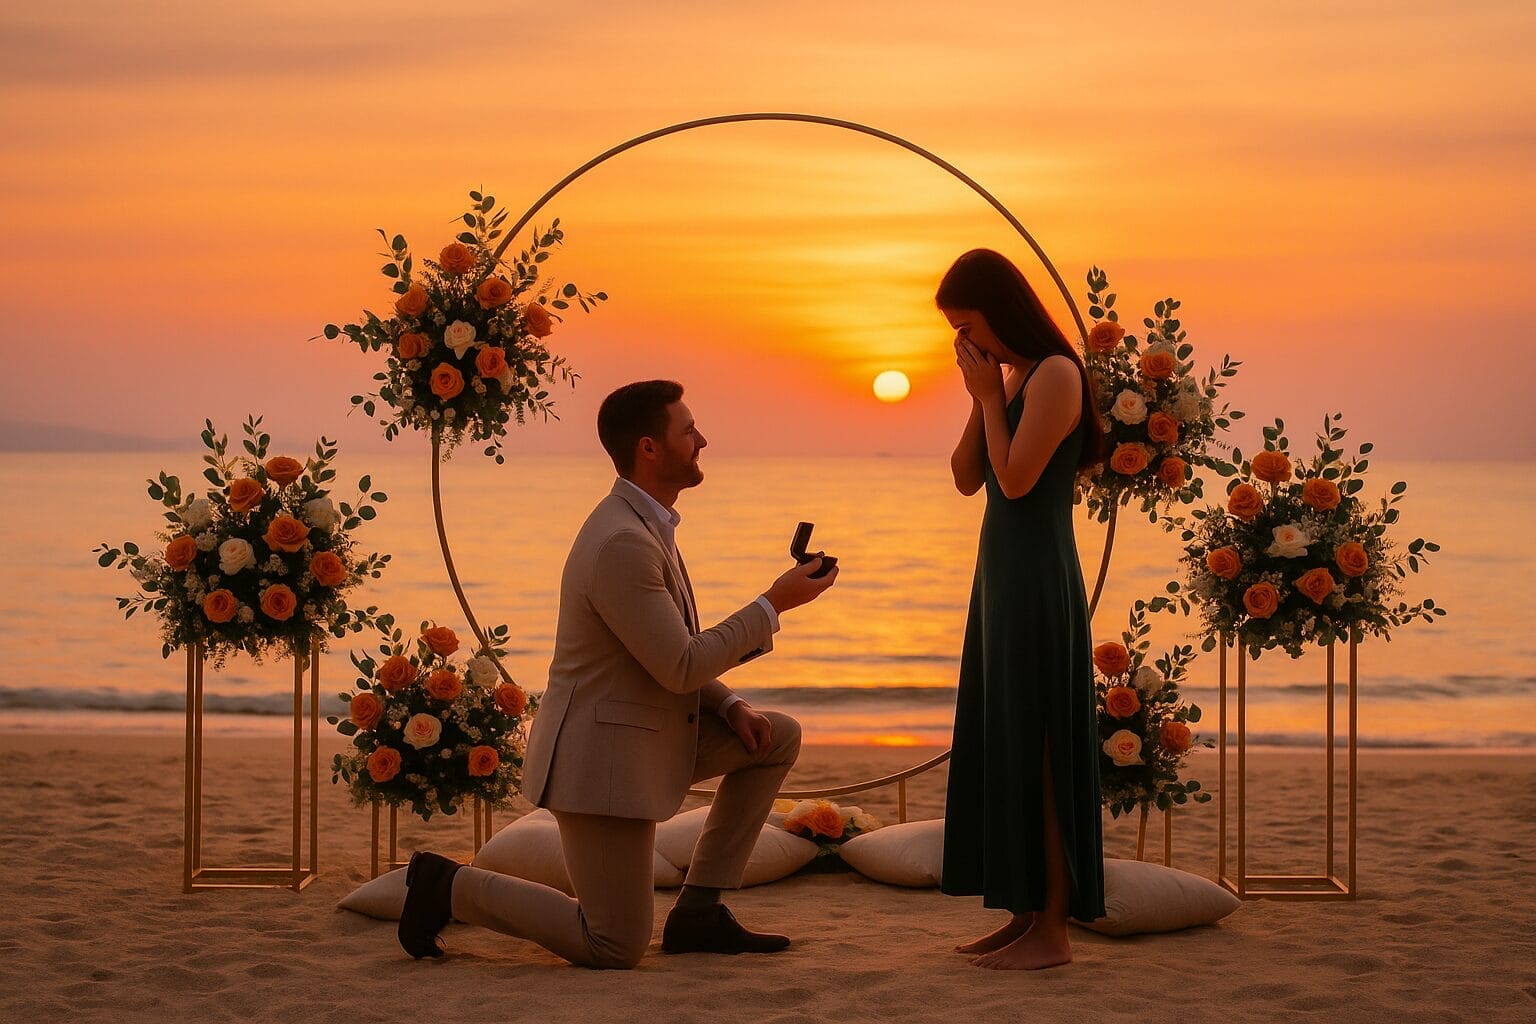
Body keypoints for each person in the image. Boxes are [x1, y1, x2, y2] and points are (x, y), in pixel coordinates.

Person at [397, 379, 838, 969]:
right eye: (688, 430)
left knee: (773, 735)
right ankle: (445, 885)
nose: (702, 439)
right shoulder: (621, 542)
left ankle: (700, 911)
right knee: (613, 945)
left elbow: (659, 650)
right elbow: (680, 664)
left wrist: (731, 706)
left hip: (644, 733)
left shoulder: (647, 523)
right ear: (649, 448)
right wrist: (772, 605)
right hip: (600, 761)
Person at [936, 249, 1107, 969]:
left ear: (1001, 312)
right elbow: (966, 477)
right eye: (954, 330)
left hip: (1037, 581)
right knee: (1005, 738)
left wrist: (987, 398)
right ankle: (1026, 910)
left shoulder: (1059, 374)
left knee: (1039, 749)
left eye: (968, 324)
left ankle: (1055, 929)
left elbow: (1016, 480)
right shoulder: (1012, 379)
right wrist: (983, 393)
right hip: (1000, 582)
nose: (963, 342)